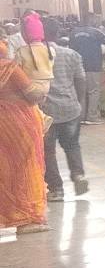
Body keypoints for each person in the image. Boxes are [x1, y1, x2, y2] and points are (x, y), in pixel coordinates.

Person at [0, 40, 50, 234]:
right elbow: (33, 94)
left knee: (4, 169)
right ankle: (27, 218)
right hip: (18, 124)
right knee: (25, 168)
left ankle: (7, 214)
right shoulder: (10, 68)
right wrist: (43, 88)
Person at [40, 19, 88, 201]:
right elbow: (81, 80)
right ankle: (78, 175)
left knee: (48, 151)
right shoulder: (72, 54)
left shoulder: (33, 56)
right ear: (58, 32)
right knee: (72, 145)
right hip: (70, 108)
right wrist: (79, 103)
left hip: (45, 112)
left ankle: (56, 189)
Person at [69, 13, 105, 125]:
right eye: (96, 20)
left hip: (77, 66)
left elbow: (71, 48)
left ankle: (81, 117)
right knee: (93, 91)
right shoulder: (95, 32)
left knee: (81, 92)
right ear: (91, 20)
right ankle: (92, 117)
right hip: (93, 65)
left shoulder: (73, 33)